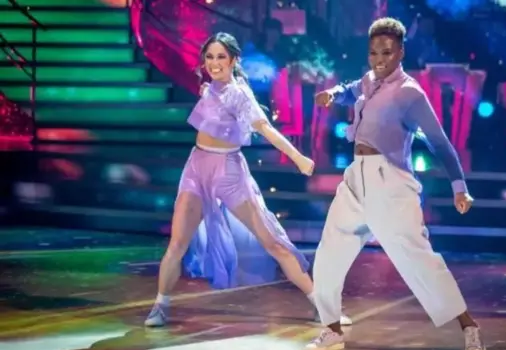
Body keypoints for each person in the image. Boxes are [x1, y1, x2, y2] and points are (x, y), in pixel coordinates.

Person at [302, 18, 486, 350]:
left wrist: (459, 187)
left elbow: (440, 143)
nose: (379, 59)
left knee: (418, 260)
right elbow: (352, 88)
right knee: (329, 253)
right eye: (373, 53)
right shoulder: (370, 80)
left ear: (401, 51)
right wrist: (333, 93)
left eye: (387, 52)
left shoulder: (410, 93)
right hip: (356, 177)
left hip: (390, 182)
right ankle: (331, 330)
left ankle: (469, 328)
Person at [144, 32, 352, 327]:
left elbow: (266, 129)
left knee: (272, 241)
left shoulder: (239, 94)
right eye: (210, 57)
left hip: (229, 172)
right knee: (177, 242)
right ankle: (160, 306)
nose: (214, 63)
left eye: (221, 57)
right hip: (196, 168)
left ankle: (322, 305)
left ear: (233, 60)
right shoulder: (210, 88)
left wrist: (298, 158)